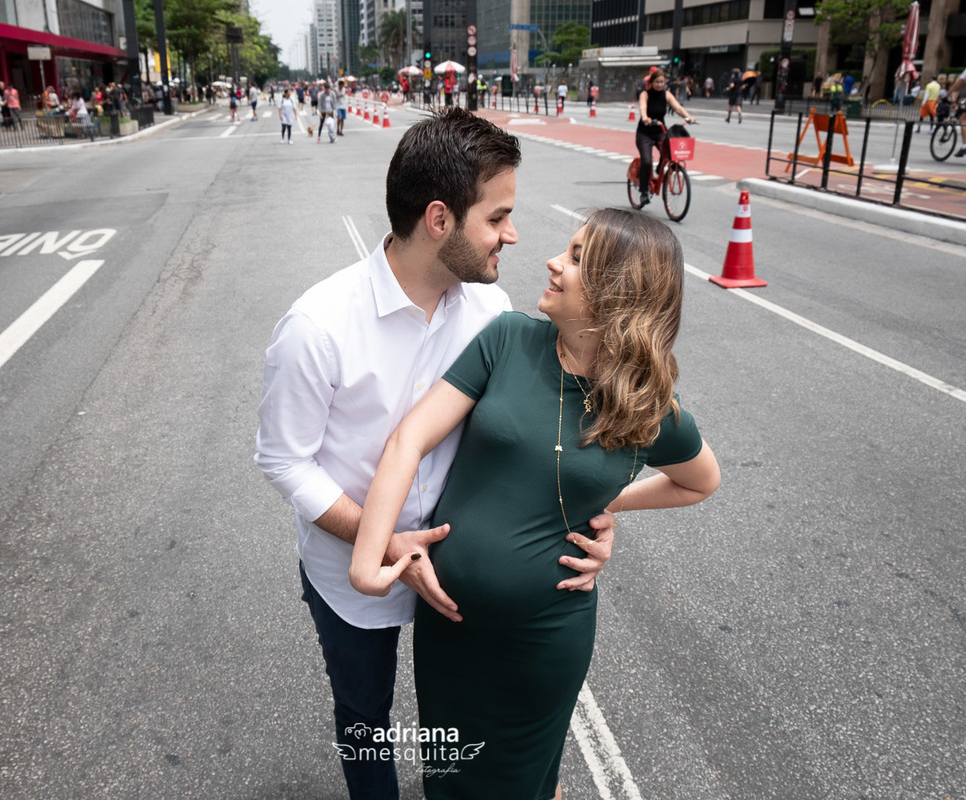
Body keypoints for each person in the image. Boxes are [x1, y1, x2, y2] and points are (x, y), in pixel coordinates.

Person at [255, 108, 616, 800]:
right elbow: (284, 460)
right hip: (350, 577)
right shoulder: (318, 327)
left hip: (463, 576)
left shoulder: (494, 315)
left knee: (466, 722)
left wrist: (599, 521)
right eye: (498, 216)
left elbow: (548, 438)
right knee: (366, 719)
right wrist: (379, 536)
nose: (513, 235)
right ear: (440, 220)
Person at [350, 207, 721, 800]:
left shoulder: (649, 409)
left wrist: (606, 505)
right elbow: (408, 440)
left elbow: (700, 481)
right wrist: (367, 561)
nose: (551, 262)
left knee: (520, 783)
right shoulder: (508, 339)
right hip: (449, 628)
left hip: (543, 640)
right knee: (446, 776)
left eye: (576, 257)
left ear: (618, 290)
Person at [636, 68, 696, 208]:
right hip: (644, 133)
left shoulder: (666, 94)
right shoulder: (645, 94)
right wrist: (645, 118)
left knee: (670, 151)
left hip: (660, 132)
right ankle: (644, 192)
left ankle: (659, 170)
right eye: (657, 82)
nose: (660, 84)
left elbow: (678, 108)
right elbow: (642, 107)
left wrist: (688, 117)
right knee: (646, 161)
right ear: (651, 82)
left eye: (662, 82)